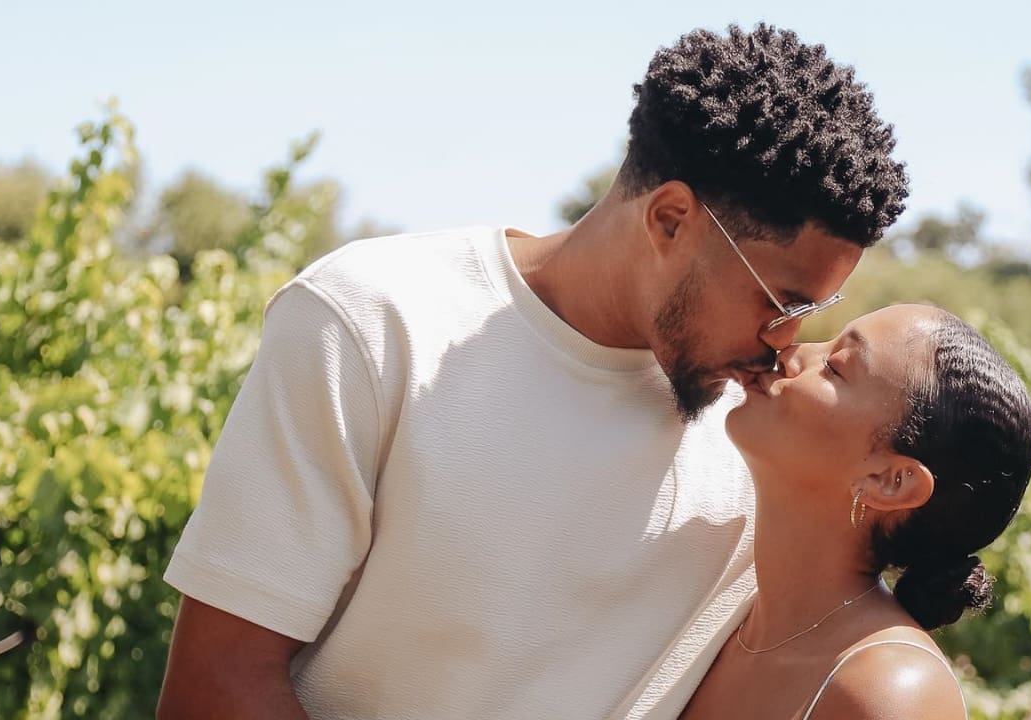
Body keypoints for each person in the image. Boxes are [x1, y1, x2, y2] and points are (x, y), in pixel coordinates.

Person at [156, 23, 909, 720]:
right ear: (670, 219)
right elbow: (215, 684)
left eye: (815, 309)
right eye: (781, 301)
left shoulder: (766, 433)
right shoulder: (370, 322)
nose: (787, 344)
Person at [679, 303, 1031, 719]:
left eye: (834, 367)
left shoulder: (892, 693)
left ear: (890, 481)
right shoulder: (711, 603)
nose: (789, 353)